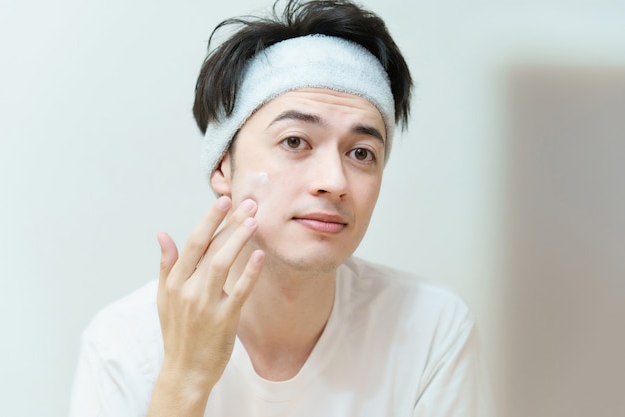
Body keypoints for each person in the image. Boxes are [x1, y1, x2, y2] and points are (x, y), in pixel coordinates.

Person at [70, 0, 490, 416]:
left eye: (361, 153)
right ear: (222, 165)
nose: (335, 182)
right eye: (295, 142)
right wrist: (185, 378)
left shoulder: (430, 329)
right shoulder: (123, 345)